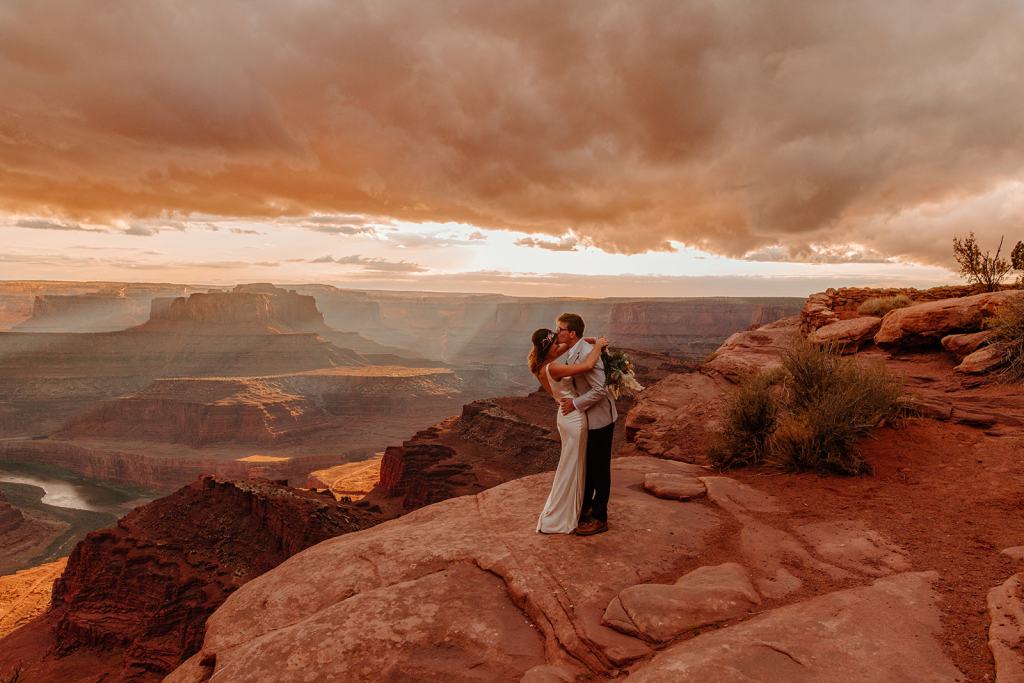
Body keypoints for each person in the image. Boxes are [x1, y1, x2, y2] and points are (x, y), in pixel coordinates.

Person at [528, 328, 609, 534]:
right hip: (573, 417)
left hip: (564, 416)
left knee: (572, 462)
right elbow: (588, 365)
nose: (560, 346)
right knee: (574, 465)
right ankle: (564, 514)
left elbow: (572, 343)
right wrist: (598, 346)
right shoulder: (553, 367)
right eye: (556, 344)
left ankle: (576, 508)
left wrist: (588, 340)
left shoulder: (540, 364)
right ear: (548, 349)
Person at [554, 313, 617, 536]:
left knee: (599, 468)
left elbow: (600, 389)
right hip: (588, 419)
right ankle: (586, 508)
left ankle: (600, 518)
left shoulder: (587, 353)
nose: (557, 332)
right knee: (588, 464)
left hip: (600, 419)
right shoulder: (575, 349)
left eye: (560, 329)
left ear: (571, 333)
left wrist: (575, 404)